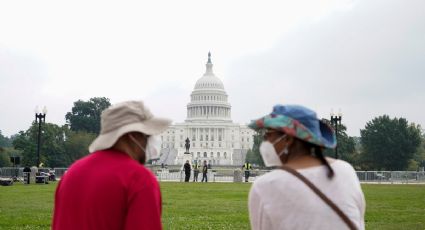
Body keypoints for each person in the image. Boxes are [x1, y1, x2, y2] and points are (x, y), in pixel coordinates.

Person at [52, 101, 171, 230]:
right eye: (147, 136)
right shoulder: (138, 178)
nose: (150, 142)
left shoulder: (71, 173)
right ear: (133, 136)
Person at [248, 105, 365, 230]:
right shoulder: (345, 171)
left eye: (268, 134)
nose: (265, 140)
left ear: (287, 139)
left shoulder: (266, 186)